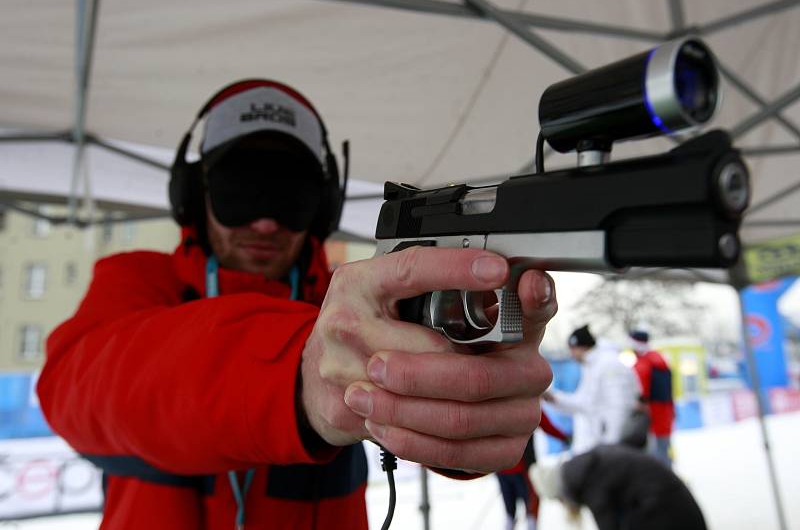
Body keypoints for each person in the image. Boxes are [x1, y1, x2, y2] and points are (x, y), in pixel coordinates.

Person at [36, 79, 558, 529]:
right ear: (195, 197)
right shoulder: (138, 281)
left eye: (289, 197)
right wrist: (301, 374)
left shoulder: (354, 303)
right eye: (241, 190)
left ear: (322, 205)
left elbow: (430, 416)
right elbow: (76, 389)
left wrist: (465, 409)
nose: (265, 222)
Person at [531, 444, 707, 530]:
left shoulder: (589, 479)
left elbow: (608, 524)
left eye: (560, 500)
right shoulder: (586, 466)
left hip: (669, 514)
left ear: (563, 492)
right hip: (673, 505)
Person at [543, 325, 640, 455]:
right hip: (596, 442)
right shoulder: (591, 366)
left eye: (572, 349)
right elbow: (584, 402)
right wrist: (554, 398)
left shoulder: (609, 364)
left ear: (580, 347)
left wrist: (611, 446)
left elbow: (619, 407)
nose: (571, 355)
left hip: (608, 443)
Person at [495, 412, 567, 530]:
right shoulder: (528, 404)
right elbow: (546, 425)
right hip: (523, 470)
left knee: (509, 514)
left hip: (501, 468)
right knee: (531, 510)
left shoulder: (498, 405)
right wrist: (564, 437)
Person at [629, 329, 675, 466]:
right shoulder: (660, 359)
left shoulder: (642, 364)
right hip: (665, 413)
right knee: (664, 448)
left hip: (651, 417)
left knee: (653, 453)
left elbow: (640, 393)